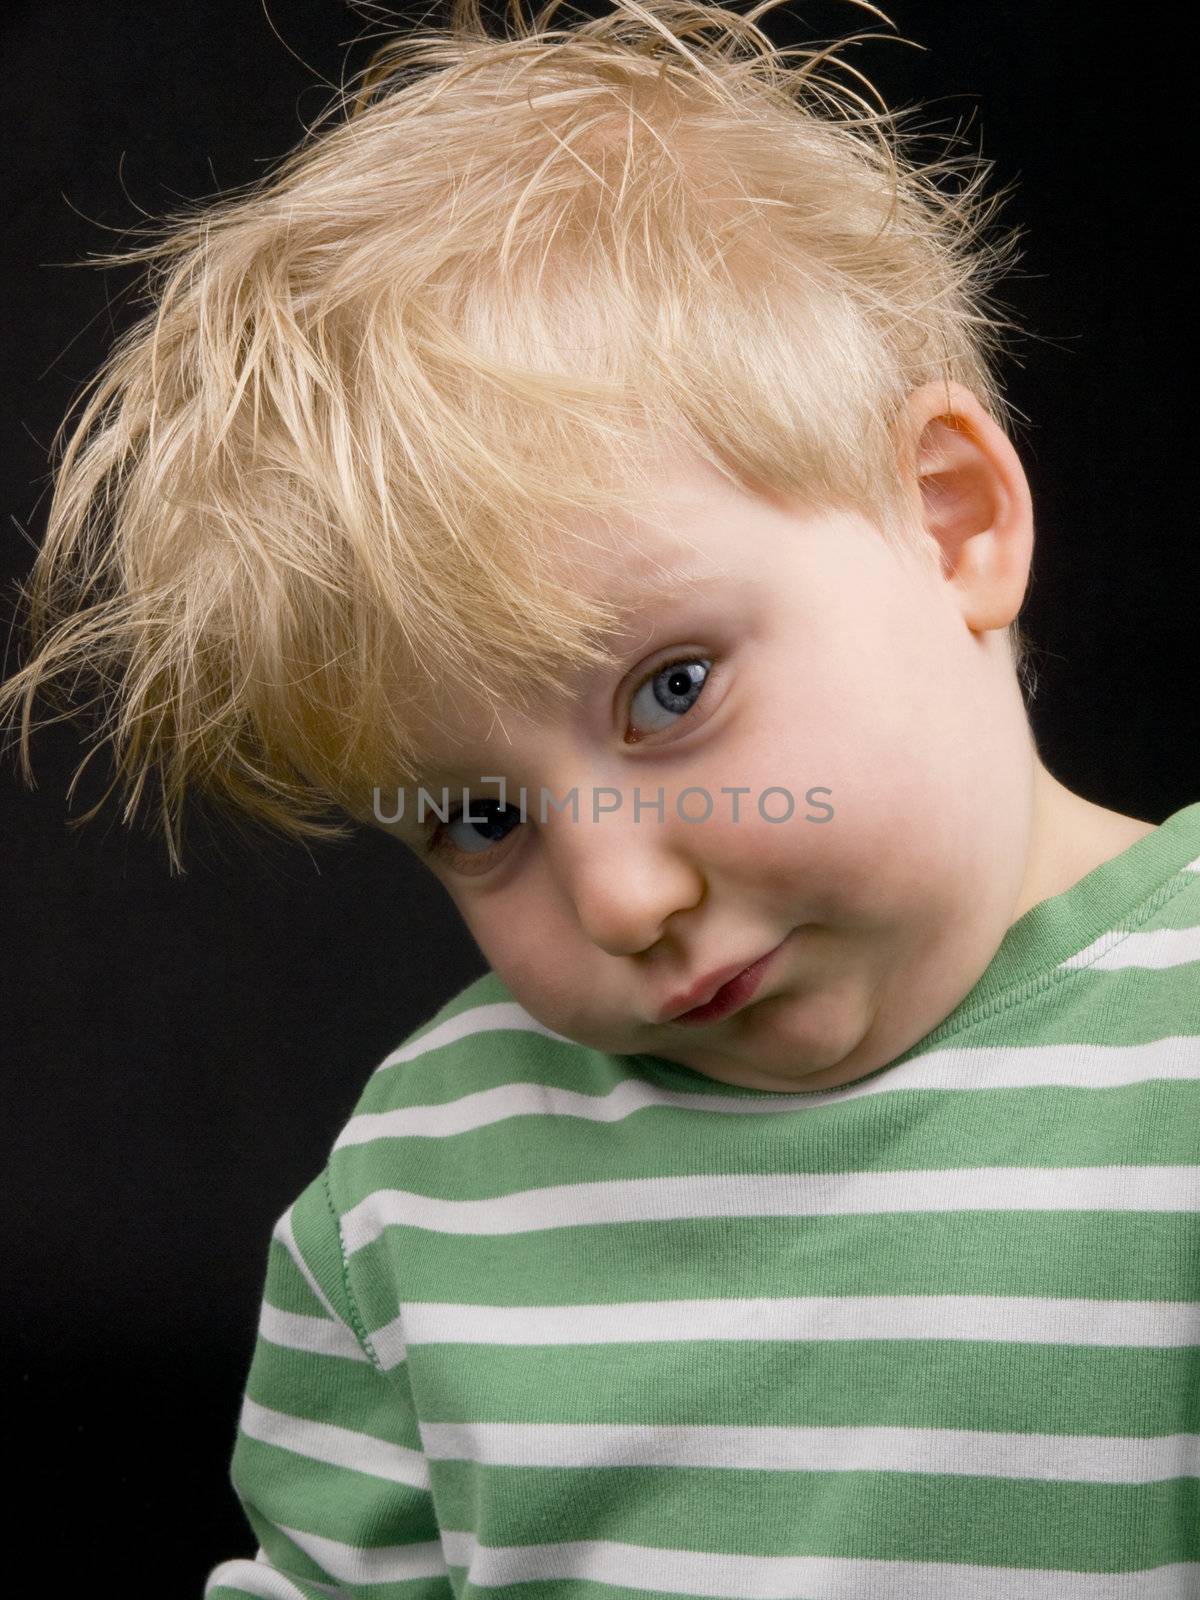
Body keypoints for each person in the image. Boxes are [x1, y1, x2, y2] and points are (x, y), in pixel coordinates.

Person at [3, 0, 1197, 1593]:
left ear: (950, 519)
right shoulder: (416, 1202)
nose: (624, 901)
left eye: (673, 692)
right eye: (480, 820)